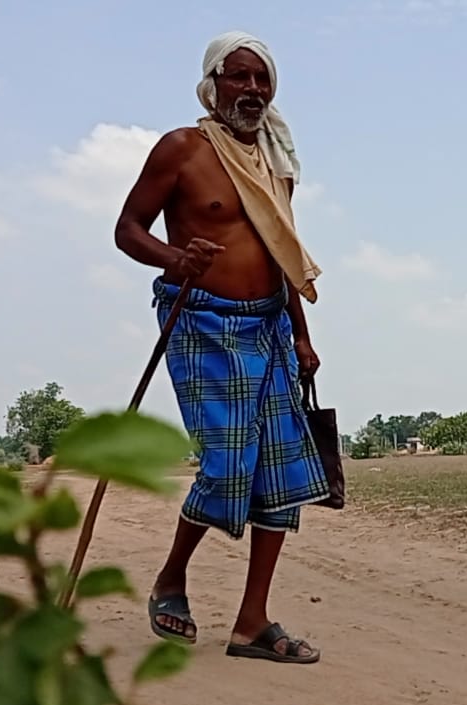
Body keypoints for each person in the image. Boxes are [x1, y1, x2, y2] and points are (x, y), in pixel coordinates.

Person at [114, 30, 329, 664]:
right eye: (239, 77)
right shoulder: (184, 149)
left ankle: (251, 623)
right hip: (203, 320)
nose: (252, 90)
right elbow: (127, 229)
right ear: (213, 84)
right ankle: (171, 578)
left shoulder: (273, 163)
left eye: (261, 80)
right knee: (228, 462)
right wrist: (176, 260)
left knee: (285, 475)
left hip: (269, 324)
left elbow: (280, 248)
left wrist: (302, 331)